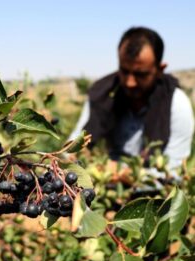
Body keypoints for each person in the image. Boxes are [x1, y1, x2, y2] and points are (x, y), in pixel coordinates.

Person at [70, 26, 194, 171]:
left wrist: (123, 173)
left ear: (160, 69)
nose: (130, 82)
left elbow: (174, 170)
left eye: (141, 74)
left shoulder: (176, 104)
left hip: (154, 189)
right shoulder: (102, 94)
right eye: (124, 71)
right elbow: (73, 147)